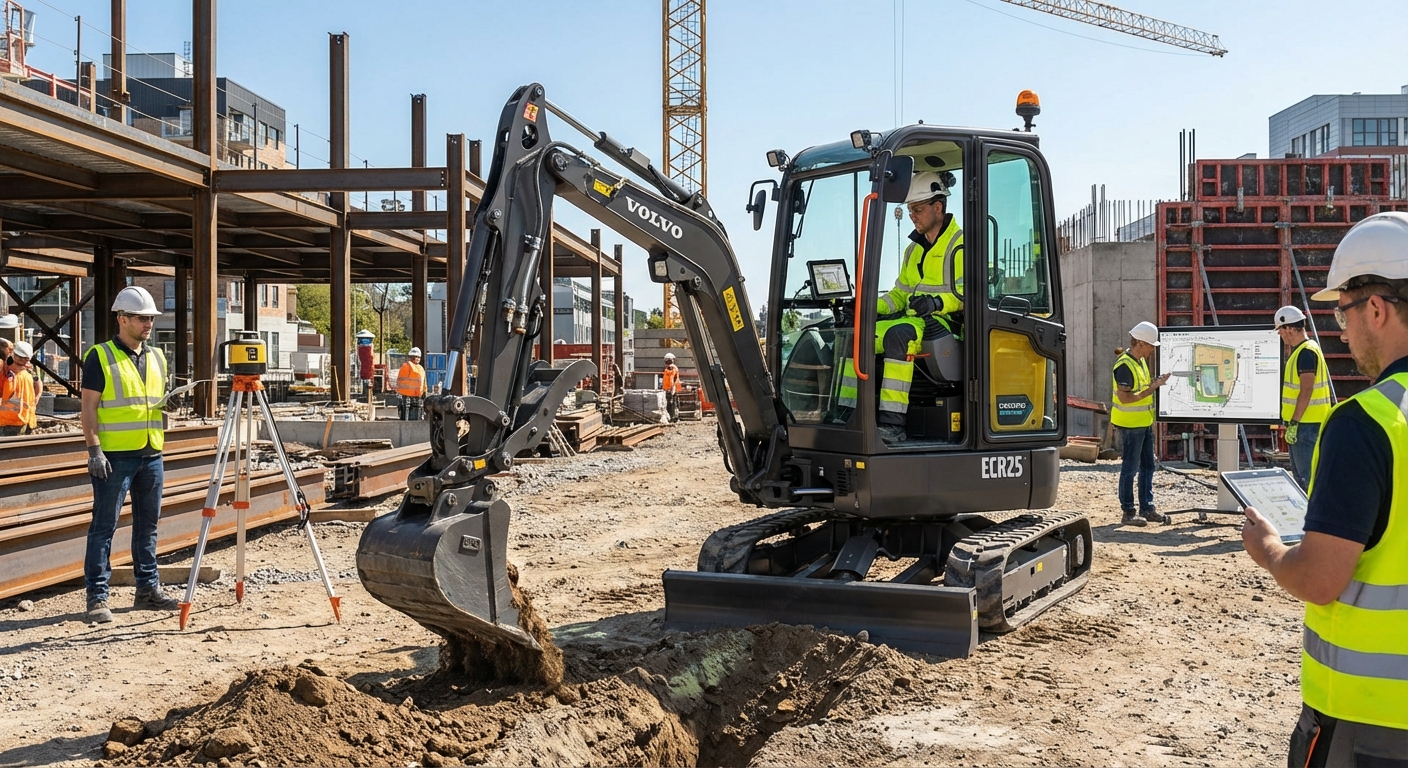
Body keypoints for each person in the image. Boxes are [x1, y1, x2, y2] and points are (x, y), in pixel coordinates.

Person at [1242, 211, 1408, 766]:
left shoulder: (1367, 423)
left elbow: (1320, 578)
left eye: (1344, 310)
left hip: (1373, 721)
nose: (1341, 328)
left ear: (1377, 309)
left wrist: (1268, 550)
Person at [839, 171, 964, 444]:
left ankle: (892, 425)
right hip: (914, 320)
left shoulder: (961, 245)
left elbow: (969, 295)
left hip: (944, 324)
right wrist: (868, 307)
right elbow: (898, 295)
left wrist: (937, 303)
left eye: (917, 210)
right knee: (858, 335)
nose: (913, 216)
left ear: (938, 207)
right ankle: (846, 414)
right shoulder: (913, 250)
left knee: (899, 335)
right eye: (910, 211)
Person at [80, 285, 179, 624]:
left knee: (148, 526)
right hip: (115, 456)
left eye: (151, 317)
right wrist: (94, 450)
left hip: (151, 452)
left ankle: (147, 589)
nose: (148, 323)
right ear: (122, 319)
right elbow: (88, 409)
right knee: (104, 527)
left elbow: (152, 404)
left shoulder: (157, 357)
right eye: (142, 317)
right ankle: (97, 597)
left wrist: (172, 405)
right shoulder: (100, 356)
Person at [1111, 322, 1172, 526]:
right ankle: (1128, 512)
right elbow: (1125, 398)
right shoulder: (1124, 366)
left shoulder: (1140, 362)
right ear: (1139, 343)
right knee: (1130, 468)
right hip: (1130, 424)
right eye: (1150, 345)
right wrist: (1153, 388)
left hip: (1143, 423)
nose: (1153, 349)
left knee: (1148, 466)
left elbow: (1141, 388)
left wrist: (1155, 382)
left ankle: (1147, 508)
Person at [1275, 305, 1334, 488]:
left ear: (1289, 328)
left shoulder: (1306, 352)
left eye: (1280, 330)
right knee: (1302, 477)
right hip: (1307, 424)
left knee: (1306, 478)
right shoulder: (1305, 350)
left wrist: (1294, 422)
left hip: (1306, 426)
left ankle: (1311, 514)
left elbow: (1306, 390)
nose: (1280, 335)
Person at [0, 340, 38, 437]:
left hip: (13, 420)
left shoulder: (24, 373)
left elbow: (38, 385)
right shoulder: (9, 371)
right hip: (20, 419)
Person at [396, 347, 426, 421]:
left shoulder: (420, 368)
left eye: (419, 357)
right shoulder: (407, 366)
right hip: (407, 396)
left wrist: (425, 391)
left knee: (416, 413)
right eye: (416, 357)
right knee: (408, 414)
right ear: (411, 357)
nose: (417, 359)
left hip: (417, 396)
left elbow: (423, 382)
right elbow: (401, 380)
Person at [662, 352, 681, 423]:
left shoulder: (672, 368)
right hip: (668, 389)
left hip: (672, 389)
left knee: (673, 403)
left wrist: (672, 388)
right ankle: (672, 417)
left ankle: (674, 417)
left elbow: (673, 378)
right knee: (670, 403)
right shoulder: (668, 368)